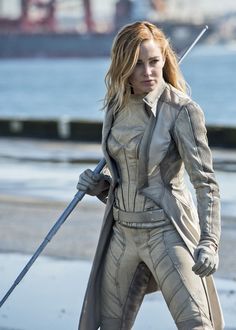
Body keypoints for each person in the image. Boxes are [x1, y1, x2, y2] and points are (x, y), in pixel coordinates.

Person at [77, 21, 224, 330]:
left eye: (154, 61)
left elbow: (206, 183)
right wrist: (100, 186)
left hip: (166, 232)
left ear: (164, 59)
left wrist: (209, 242)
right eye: (137, 64)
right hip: (122, 233)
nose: (148, 72)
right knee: (105, 325)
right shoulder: (115, 109)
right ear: (123, 67)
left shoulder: (182, 111)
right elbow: (127, 179)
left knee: (197, 324)